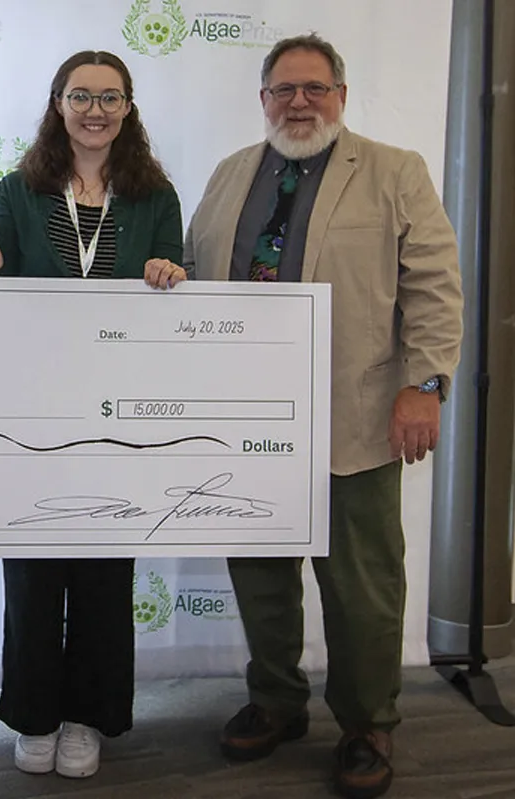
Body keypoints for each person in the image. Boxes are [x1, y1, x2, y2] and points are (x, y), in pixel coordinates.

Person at [183, 33, 463, 799]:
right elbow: (198, 279)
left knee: (361, 585)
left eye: (314, 88)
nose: (299, 102)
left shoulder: (393, 171)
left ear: (341, 94)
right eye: (284, 89)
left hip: (357, 414)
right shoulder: (228, 174)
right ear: (263, 99)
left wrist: (426, 385)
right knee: (261, 576)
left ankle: (369, 721)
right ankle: (276, 699)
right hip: (243, 419)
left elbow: (436, 286)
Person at [0, 49, 186, 779]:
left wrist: (167, 273)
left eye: (109, 97)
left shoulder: (155, 195)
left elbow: (177, 273)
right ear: (57, 104)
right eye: (80, 96)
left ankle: (87, 714)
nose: (95, 110)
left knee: (103, 569)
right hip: (31, 404)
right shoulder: (24, 189)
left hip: (121, 409)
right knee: (31, 566)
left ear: (128, 109)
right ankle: (33, 713)